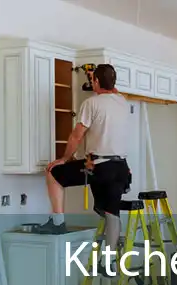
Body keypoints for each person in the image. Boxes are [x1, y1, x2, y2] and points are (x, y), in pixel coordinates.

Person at [38, 63, 131, 274]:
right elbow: (111, 91)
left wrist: (65, 158)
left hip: (98, 166)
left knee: (53, 173)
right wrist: (99, 79)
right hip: (121, 168)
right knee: (111, 213)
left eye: (93, 80)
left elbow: (76, 136)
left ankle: (57, 222)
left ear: (96, 82)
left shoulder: (91, 103)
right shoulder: (123, 102)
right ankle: (109, 263)